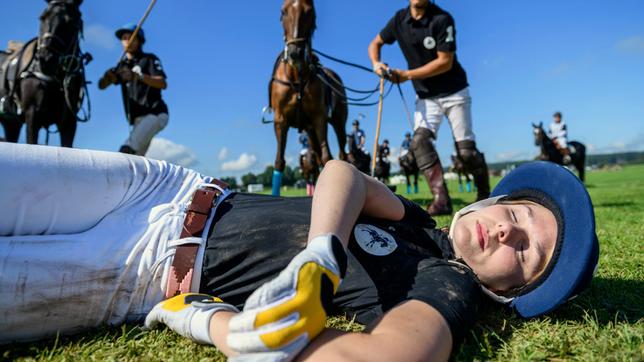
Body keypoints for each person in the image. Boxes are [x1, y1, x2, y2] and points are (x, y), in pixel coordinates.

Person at [0, 143, 598, 362]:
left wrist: (220, 327)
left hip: (138, 274)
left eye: (525, 256)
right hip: (163, 187)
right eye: (516, 216)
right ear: (495, 201)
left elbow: (392, 358)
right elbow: (344, 174)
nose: (508, 234)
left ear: (510, 290)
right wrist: (322, 253)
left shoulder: (450, 286)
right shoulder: (421, 221)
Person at [368, 0, 490, 215]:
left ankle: (485, 194)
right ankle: (441, 201)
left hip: (455, 92)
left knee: (466, 154)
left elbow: (445, 61)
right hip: (426, 97)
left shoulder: (442, 19)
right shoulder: (398, 20)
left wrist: (407, 75)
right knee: (419, 142)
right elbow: (375, 43)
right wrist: (377, 64)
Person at [98, 24, 168, 156]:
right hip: (136, 120)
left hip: (155, 113)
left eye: (131, 38)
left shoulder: (149, 59)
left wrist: (138, 76)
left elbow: (162, 83)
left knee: (126, 151)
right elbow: (101, 86)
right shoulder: (122, 66)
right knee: (137, 161)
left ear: (140, 40)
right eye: (124, 38)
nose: (127, 41)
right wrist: (108, 78)